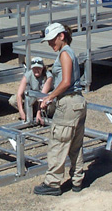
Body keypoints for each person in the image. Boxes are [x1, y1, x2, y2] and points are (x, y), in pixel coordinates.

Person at [33, 23, 87, 196]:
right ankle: (77, 179)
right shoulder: (69, 53)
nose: (50, 44)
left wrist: (49, 97)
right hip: (77, 102)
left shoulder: (65, 54)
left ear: (61, 36)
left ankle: (52, 183)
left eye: (52, 40)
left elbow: (65, 82)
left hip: (68, 103)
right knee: (75, 145)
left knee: (58, 143)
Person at [9, 57, 53, 124]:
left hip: (44, 98)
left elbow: (42, 96)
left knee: (50, 103)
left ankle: (41, 113)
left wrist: (39, 113)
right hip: (34, 97)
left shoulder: (48, 77)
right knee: (13, 100)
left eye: (39, 68)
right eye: (34, 68)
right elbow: (19, 94)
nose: (36, 70)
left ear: (43, 68)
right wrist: (21, 111)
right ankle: (29, 112)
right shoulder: (28, 75)